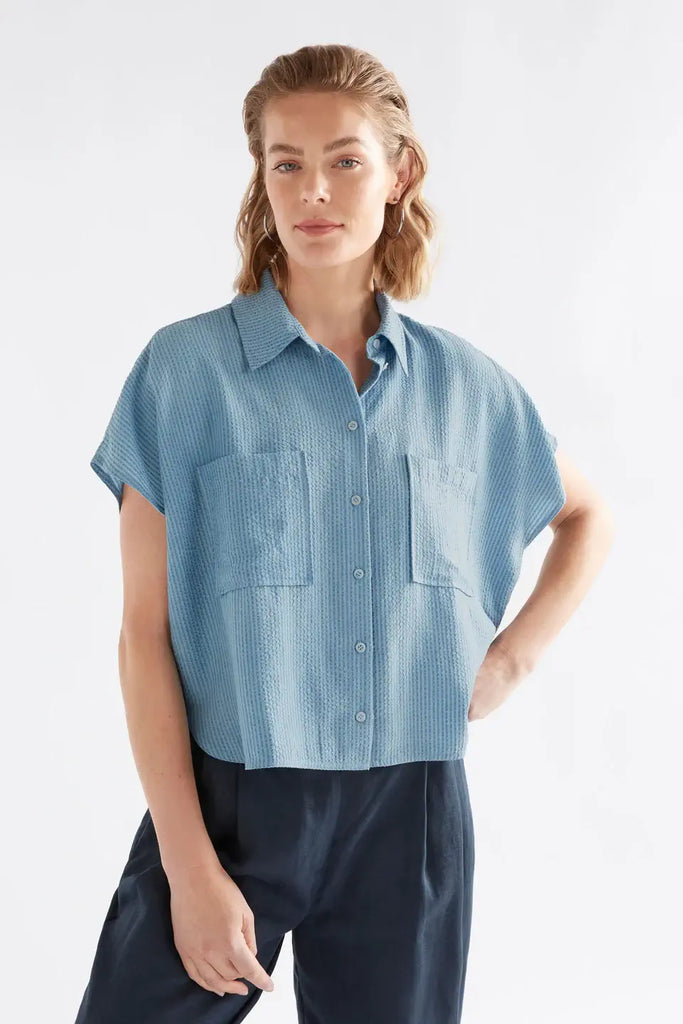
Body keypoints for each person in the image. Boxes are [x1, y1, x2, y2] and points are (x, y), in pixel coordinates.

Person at [74, 43, 614, 1024]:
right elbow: (142, 638)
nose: (312, 189)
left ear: (399, 173)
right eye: (286, 162)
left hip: (409, 813)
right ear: (261, 176)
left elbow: (586, 513)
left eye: (345, 160)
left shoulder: (466, 391)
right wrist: (189, 867)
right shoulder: (184, 374)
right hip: (230, 799)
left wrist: (510, 661)